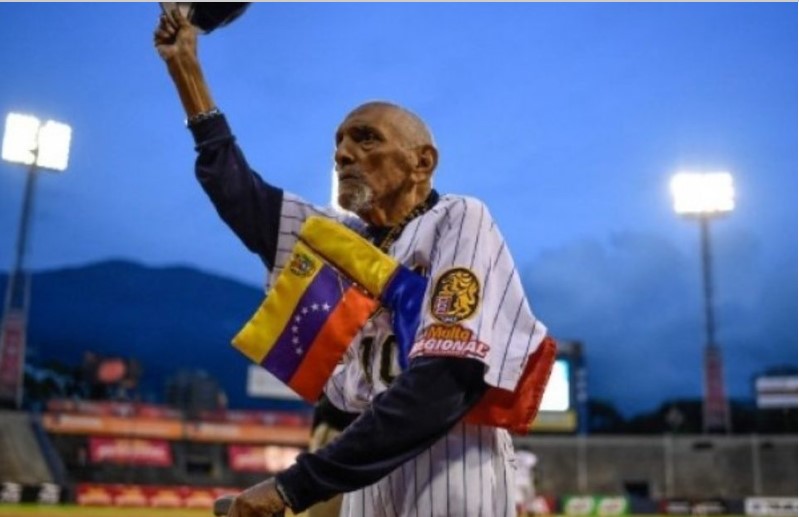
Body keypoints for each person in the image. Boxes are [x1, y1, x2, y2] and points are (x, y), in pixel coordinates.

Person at [154, 8, 553, 517]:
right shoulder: (342, 238)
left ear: (422, 162)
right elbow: (239, 195)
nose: (343, 153)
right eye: (339, 142)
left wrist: (292, 487)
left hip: (451, 453)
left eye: (366, 138)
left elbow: (445, 382)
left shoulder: (459, 219)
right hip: (365, 457)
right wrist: (185, 69)